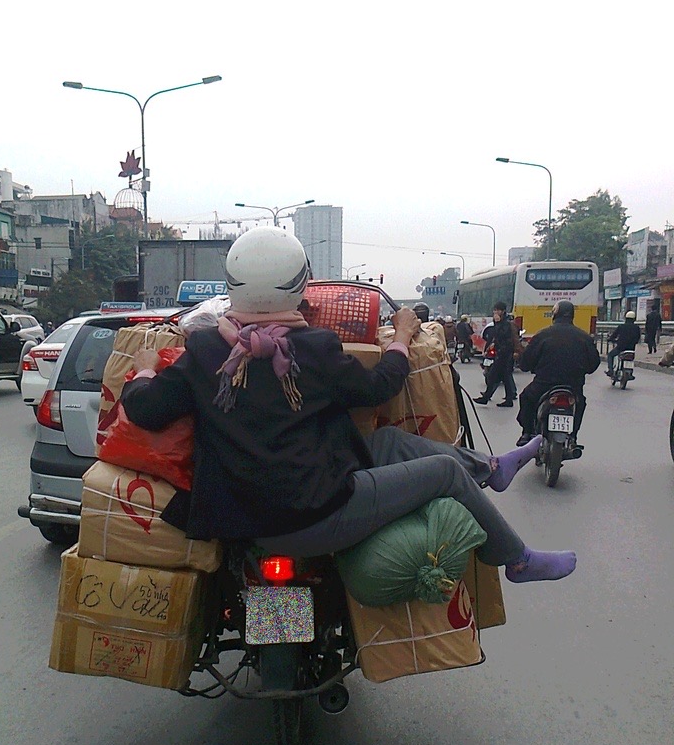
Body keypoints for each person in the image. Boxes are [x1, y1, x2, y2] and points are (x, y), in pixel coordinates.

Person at [121, 226, 576, 585]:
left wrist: (143, 369)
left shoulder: (204, 348)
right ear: (301, 285)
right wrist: (400, 338)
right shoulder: (314, 347)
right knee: (444, 473)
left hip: (235, 518)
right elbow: (380, 387)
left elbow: (145, 409)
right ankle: (515, 560)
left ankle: (491, 468)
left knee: (390, 442)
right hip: (315, 514)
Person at [515, 300, 600, 447]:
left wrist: (527, 366)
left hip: (544, 385)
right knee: (580, 404)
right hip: (573, 386)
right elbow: (593, 364)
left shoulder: (543, 335)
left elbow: (526, 362)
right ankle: (572, 437)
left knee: (526, 398)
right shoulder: (584, 337)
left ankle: (527, 433)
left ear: (554, 314)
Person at [473, 301, 516, 407]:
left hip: (505, 353)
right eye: (495, 310)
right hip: (500, 353)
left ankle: (486, 398)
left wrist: (497, 323)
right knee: (503, 377)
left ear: (503, 311)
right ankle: (507, 399)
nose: (496, 312)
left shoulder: (506, 323)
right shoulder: (500, 322)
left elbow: (502, 335)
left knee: (493, 376)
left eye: (498, 310)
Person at [606, 311, 641, 376]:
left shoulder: (621, 326)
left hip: (620, 348)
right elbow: (638, 338)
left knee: (610, 355)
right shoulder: (637, 328)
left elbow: (614, 335)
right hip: (631, 349)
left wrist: (610, 339)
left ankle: (610, 371)